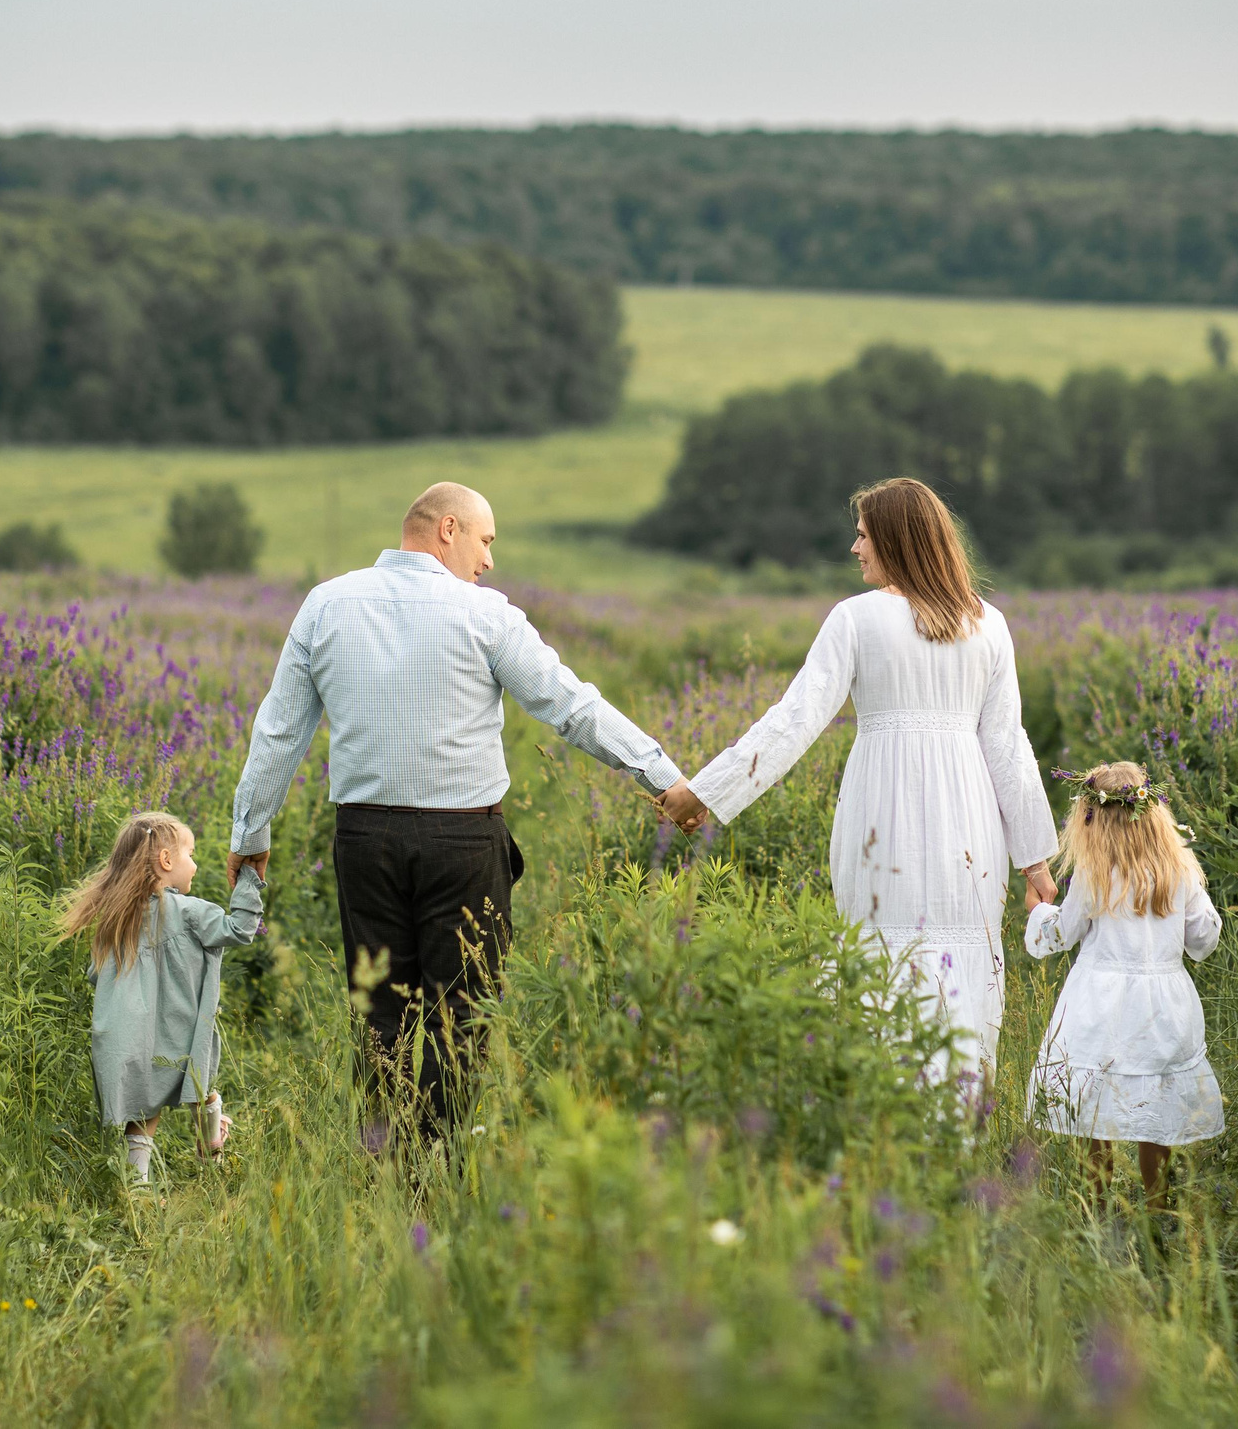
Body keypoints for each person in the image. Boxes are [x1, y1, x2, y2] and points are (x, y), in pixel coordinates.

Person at [227, 482, 702, 1139]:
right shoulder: (486, 615)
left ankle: (384, 1171)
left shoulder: (325, 605)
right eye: (486, 540)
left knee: (380, 1014)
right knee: (464, 1016)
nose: (489, 560)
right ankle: (437, 1168)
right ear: (447, 529)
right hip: (464, 842)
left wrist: (250, 831)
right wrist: (663, 775)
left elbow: (279, 731)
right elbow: (571, 705)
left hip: (366, 840)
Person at [669, 477, 1059, 1086]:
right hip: (969, 822)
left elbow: (794, 721)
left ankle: (882, 1112)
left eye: (862, 535)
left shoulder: (855, 618)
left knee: (882, 949)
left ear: (894, 540)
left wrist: (706, 793)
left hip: (884, 809)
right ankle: (954, 1122)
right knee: (956, 965)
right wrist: (1035, 865)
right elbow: (1009, 750)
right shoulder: (989, 624)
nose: (854, 548)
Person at [1022, 761, 1224, 1209]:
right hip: (1162, 1007)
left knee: (1097, 1107)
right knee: (1157, 1108)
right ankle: (1158, 1208)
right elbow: (1203, 942)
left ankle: (1095, 1209)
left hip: (1101, 1005)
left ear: (1092, 819)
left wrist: (1037, 912)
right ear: (1152, 813)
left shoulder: (1095, 874)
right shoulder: (1179, 870)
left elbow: (1061, 935)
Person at [58, 809, 264, 1185]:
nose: (195, 864)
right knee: (197, 1084)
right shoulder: (188, 912)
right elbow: (240, 929)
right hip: (179, 1027)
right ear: (166, 860)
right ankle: (211, 1147)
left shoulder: (118, 917)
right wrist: (249, 877)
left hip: (135, 1035)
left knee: (142, 1102)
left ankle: (138, 1185)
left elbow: (95, 974)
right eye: (190, 854)